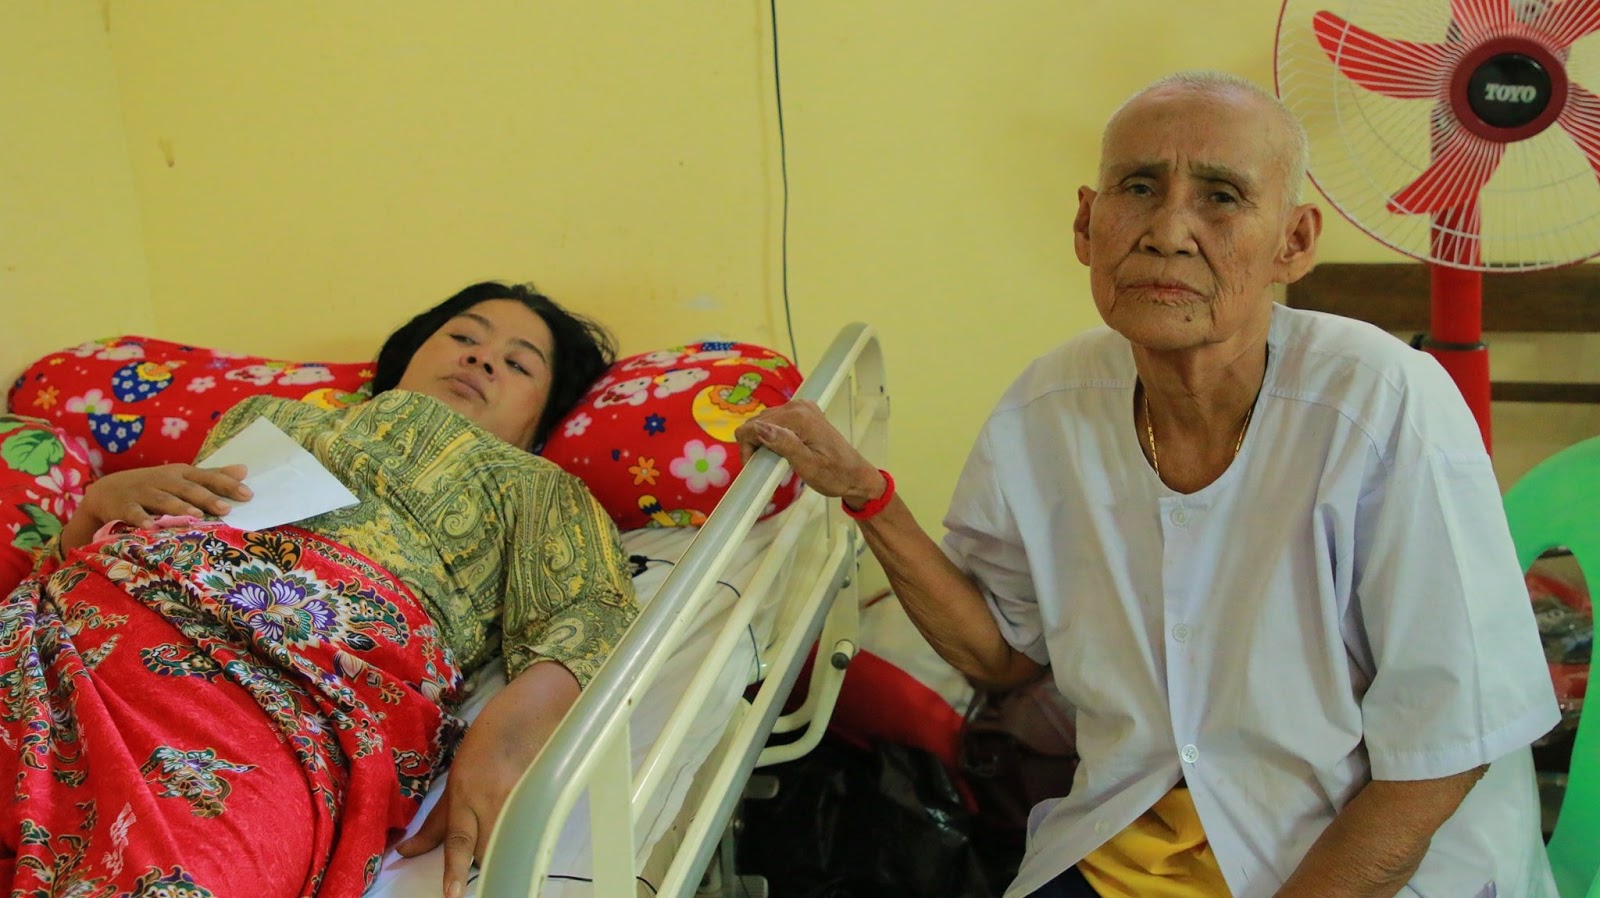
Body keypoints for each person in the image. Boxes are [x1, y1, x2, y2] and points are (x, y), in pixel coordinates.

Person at [736, 72, 1561, 898]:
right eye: (1138, 188)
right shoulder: (1048, 407)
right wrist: (868, 496)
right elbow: (1002, 655)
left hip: (1362, 861)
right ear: (1086, 224)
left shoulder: (1382, 404)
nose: (1168, 233)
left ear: (1294, 240)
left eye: (1221, 197)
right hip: (1134, 843)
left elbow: (1444, 749)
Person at [1, 282, 639, 898]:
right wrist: (96, 507)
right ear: (408, 354)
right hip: (95, 617)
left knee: (189, 869)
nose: (481, 359)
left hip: (296, 701)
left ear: (541, 420)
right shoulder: (270, 418)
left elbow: (591, 618)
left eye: (518, 364)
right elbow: (72, 560)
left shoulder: (541, 488)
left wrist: (503, 740)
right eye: (464, 337)